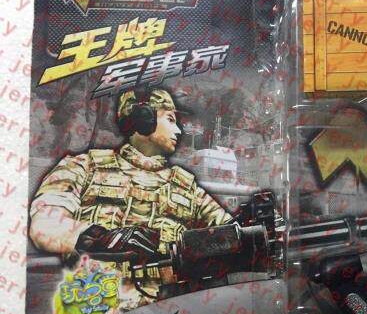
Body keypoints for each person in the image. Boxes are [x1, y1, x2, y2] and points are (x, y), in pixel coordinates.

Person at [29, 88, 233, 302]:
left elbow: (229, 232)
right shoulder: (84, 166)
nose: (179, 130)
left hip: (167, 309)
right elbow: (44, 223)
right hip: (94, 308)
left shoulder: (189, 188)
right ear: (145, 119)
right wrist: (97, 238)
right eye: (170, 119)